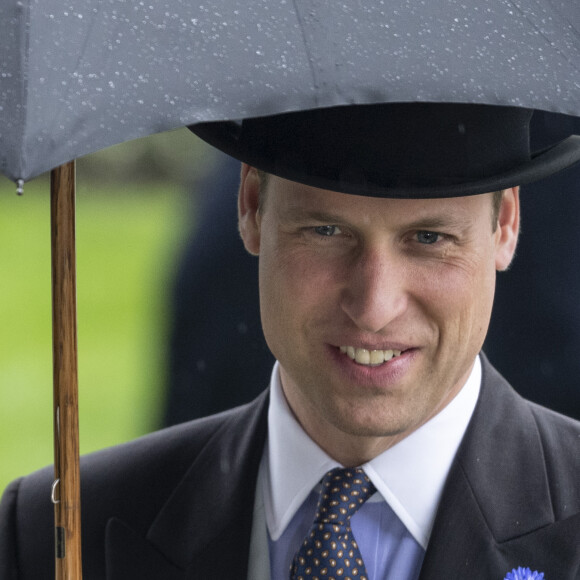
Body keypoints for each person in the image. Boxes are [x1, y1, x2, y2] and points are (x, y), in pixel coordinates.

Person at [2, 103, 580, 580]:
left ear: (504, 224)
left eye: (428, 238)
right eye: (326, 231)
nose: (375, 308)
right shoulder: (54, 533)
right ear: (251, 206)